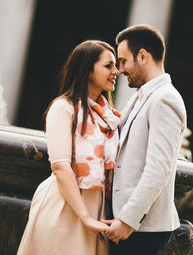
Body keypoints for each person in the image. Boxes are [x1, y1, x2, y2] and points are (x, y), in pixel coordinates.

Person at [18, 40, 121, 255]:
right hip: (65, 209)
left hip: (96, 211)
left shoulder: (109, 117)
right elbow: (60, 167)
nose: (116, 71)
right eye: (108, 65)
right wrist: (86, 218)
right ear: (87, 69)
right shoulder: (63, 108)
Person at [104, 24, 187, 255]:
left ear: (142, 56)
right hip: (131, 223)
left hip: (141, 228)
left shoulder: (165, 99)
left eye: (123, 61)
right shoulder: (142, 96)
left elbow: (158, 169)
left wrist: (128, 220)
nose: (120, 69)